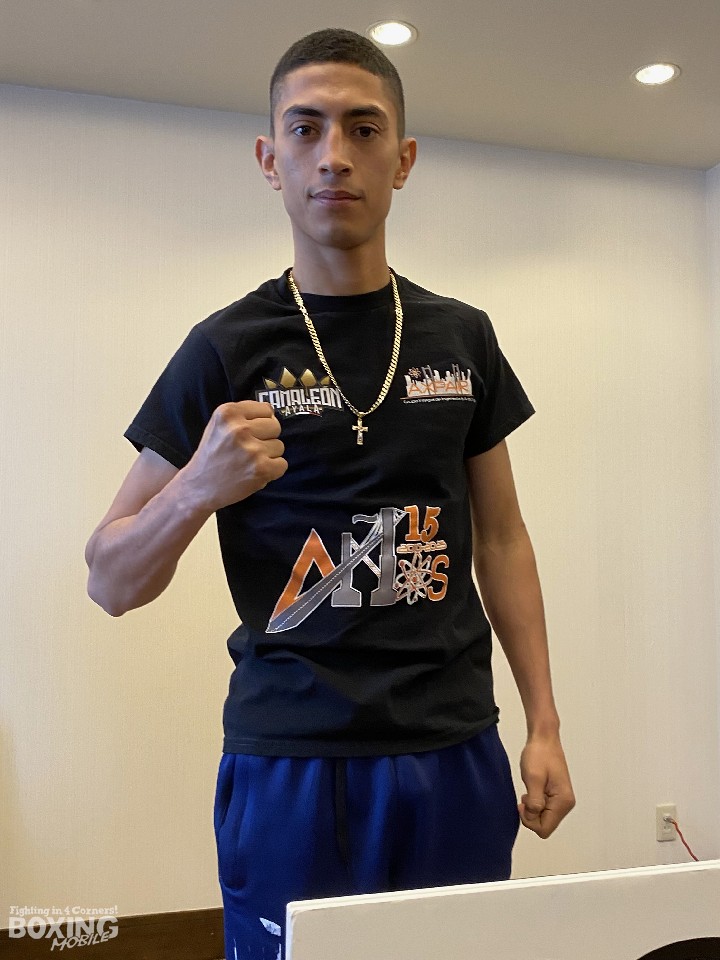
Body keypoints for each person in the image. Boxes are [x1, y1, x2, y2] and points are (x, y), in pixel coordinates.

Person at [85, 27, 575, 960]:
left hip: (450, 746)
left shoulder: (463, 337)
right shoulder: (226, 347)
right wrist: (196, 490)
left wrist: (544, 725)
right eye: (305, 130)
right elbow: (109, 579)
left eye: (363, 128)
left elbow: (503, 540)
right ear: (270, 160)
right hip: (292, 759)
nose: (334, 155)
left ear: (404, 160)